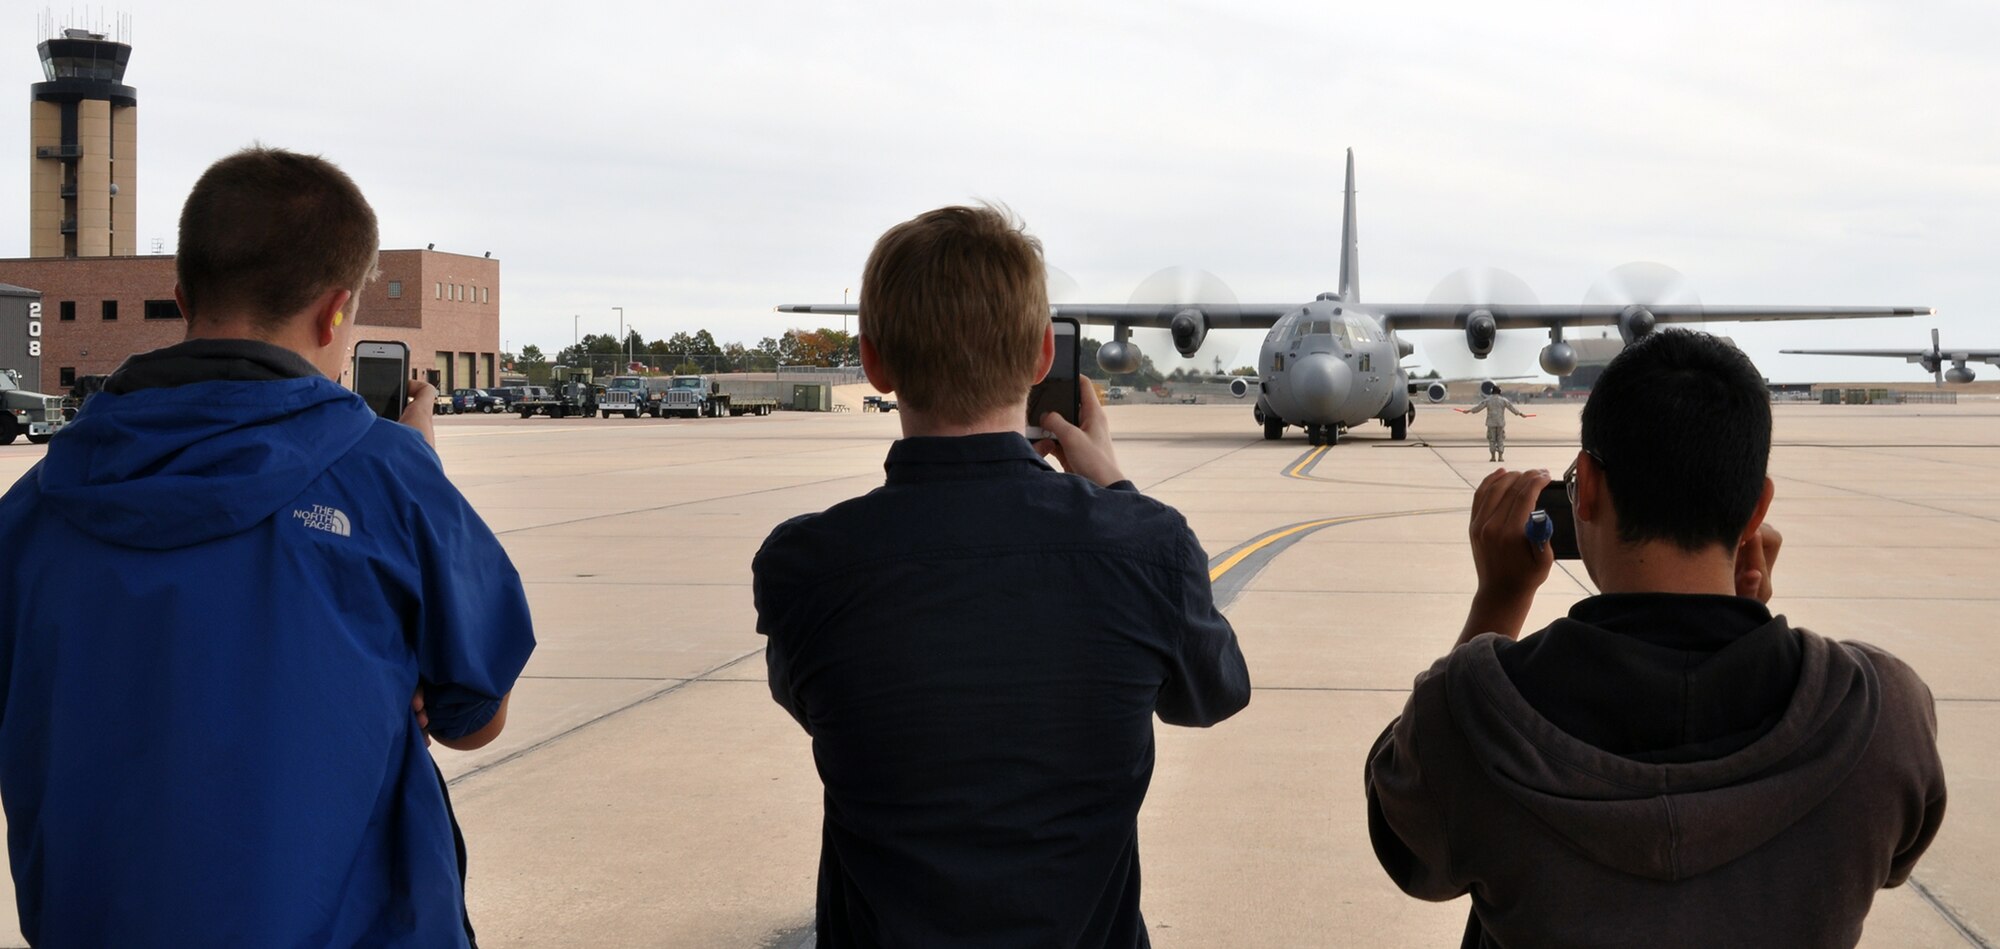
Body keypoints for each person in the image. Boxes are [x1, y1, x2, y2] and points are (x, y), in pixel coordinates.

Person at [0, 147, 535, 946]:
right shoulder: (391, 480)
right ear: (335, 314)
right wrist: (409, 469)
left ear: (182, 297)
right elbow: (473, 717)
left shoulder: (32, 509)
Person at [753, 205, 1251, 948]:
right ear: (1043, 355)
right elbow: (1214, 693)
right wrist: (1116, 492)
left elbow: (819, 701)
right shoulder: (1146, 547)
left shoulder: (805, 568)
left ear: (874, 361)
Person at [1366, 330, 1946, 948]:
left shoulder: (1469, 713)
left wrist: (1498, 602)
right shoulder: (1884, 715)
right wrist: (1737, 625)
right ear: (1756, 509)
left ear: (1584, 488)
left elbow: (1411, 849)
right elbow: (1891, 854)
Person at [1455, 380, 1531, 462]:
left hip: (1491, 423)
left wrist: (1469, 411)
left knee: (1492, 440)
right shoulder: (1503, 400)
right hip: (1500, 423)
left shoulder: (1488, 400)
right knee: (1500, 440)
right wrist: (1520, 414)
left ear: (1492, 391)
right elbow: (1512, 408)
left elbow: (1478, 408)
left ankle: (1493, 457)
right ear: (1499, 392)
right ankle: (1501, 457)